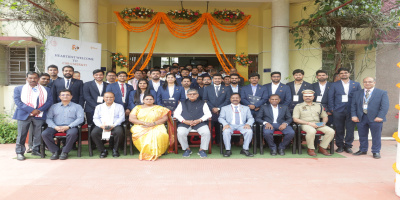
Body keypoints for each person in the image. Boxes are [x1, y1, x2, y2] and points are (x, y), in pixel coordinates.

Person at [13, 72, 53, 160]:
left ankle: (36, 150)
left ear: (38, 79)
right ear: (26, 79)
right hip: (23, 114)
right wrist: (31, 110)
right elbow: (18, 102)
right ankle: (20, 152)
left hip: (39, 114)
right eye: (30, 78)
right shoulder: (19, 89)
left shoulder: (46, 90)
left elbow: (49, 101)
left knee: (38, 134)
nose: (32, 80)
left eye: (35, 78)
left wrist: (39, 110)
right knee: (22, 134)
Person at [351, 77, 389, 159]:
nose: (367, 83)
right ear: (363, 83)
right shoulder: (357, 93)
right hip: (361, 117)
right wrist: (354, 115)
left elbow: (385, 106)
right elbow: (353, 106)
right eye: (365, 82)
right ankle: (363, 149)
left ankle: (376, 151)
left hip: (376, 118)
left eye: (370, 82)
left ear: (374, 82)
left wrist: (380, 116)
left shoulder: (382, 93)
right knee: (362, 135)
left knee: (376, 136)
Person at [42, 89, 84, 160]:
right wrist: (55, 127)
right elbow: (48, 118)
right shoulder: (54, 107)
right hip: (55, 126)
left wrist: (68, 126)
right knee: (45, 134)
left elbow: (80, 119)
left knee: (72, 134)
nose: (65, 96)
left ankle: (65, 151)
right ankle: (55, 151)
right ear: (59, 97)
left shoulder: (77, 107)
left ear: (71, 96)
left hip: (70, 126)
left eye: (68, 95)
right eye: (63, 95)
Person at [129, 94, 173, 161]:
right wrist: (144, 123)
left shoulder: (159, 108)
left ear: (154, 100)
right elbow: (132, 119)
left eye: (151, 99)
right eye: (147, 99)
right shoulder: (137, 108)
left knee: (160, 133)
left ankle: (156, 152)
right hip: (140, 125)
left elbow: (165, 118)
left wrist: (153, 123)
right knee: (142, 133)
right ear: (143, 100)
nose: (149, 100)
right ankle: (147, 152)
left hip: (157, 125)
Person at [328, 68, 361, 153]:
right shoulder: (334, 85)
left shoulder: (356, 84)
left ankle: (348, 145)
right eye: (341, 73)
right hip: (338, 110)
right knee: (339, 129)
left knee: (350, 128)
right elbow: (330, 97)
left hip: (351, 110)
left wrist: (357, 109)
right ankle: (340, 146)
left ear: (349, 74)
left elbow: (359, 98)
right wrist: (332, 109)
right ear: (339, 75)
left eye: (345, 73)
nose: (344, 74)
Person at [293, 90, 334, 157]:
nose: (307, 97)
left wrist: (323, 123)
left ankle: (322, 148)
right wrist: (309, 123)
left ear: (313, 97)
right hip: (305, 124)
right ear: (303, 97)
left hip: (317, 123)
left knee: (331, 131)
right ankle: (311, 149)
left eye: (309, 96)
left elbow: (325, 116)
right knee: (312, 131)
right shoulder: (298, 106)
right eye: (306, 96)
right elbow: (295, 119)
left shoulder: (319, 105)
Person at [174, 89, 212, 158]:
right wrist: (184, 121)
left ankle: (202, 149)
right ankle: (187, 149)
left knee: (206, 132)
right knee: (181, 133)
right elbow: (176, 114)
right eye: (190, 94)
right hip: (185, 123)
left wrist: (199, 120)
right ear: (187, 95)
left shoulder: (203, 103)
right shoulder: (182, 103)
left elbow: (208, 114)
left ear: (197, 95)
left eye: (194, 94)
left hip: (199, 123)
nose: (192, 95)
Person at [218, 93, 254, 157]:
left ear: (240, 99)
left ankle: (245, 149)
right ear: (230, 99)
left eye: (237, 98)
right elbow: (220, 118)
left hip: (242, 125)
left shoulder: (246, 108)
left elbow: (251, 118)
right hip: (230, 125)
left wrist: (248, 124)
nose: (235, 99)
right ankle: (228, 150)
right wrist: (225, 124)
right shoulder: (224, 108)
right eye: (233, 98)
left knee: (249, 131)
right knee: (226, 131)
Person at [91, 92, 125, 158]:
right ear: (103, 98)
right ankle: (103, 150)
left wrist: (113, 125)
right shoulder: (99, 107)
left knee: (119, 132)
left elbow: (122, 118)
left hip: (115, 125)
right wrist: (101, 126)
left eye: (111, 97)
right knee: (94, 133)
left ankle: (115, 150)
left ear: (114, 98)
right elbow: (95, 118)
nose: (109, 98)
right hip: (102, 125)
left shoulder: (119, 106)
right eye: (106, 97)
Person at [203, 73, 233, 144]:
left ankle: (220, 142)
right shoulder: (207, 88)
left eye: (219, 79)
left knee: (220, 128)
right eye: (215, 79)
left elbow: (228, 100)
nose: (217, 80)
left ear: (222, 80)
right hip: (210, 111)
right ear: (212, 80)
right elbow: (205, 99)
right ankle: (210, 142)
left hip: (222, 111)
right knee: (210, 127)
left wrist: (219, 108)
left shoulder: (227, 88)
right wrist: (213, 108)